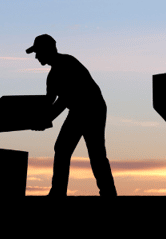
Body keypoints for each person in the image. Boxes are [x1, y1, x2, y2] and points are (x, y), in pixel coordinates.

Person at [26, 34, 117, 197]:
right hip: (78, 111)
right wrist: (35, 119)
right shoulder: (52, 76)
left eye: (38, 52)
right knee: (62, 148)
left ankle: (108, 193)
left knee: (95, 152)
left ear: (47, 50)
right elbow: (49, 102)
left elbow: (63, 100)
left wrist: (44, 120)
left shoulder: (67, 63)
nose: (36, 56)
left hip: (92, 109)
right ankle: (59, 191)